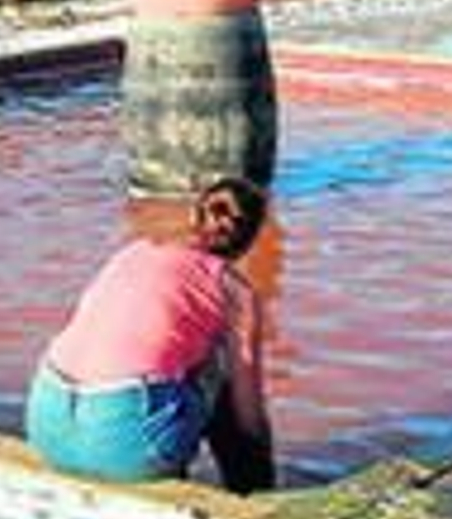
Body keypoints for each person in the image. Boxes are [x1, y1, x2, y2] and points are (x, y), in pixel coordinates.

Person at [27, 177, 276, 493]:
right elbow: (248, 413)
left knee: (173, 356)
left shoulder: (134, 251)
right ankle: (252, 496)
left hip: (48, 429)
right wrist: (262, 461)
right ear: (251, 237)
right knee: (223, 369)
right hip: (123, 449)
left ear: (194, 217)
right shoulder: (235, 291)